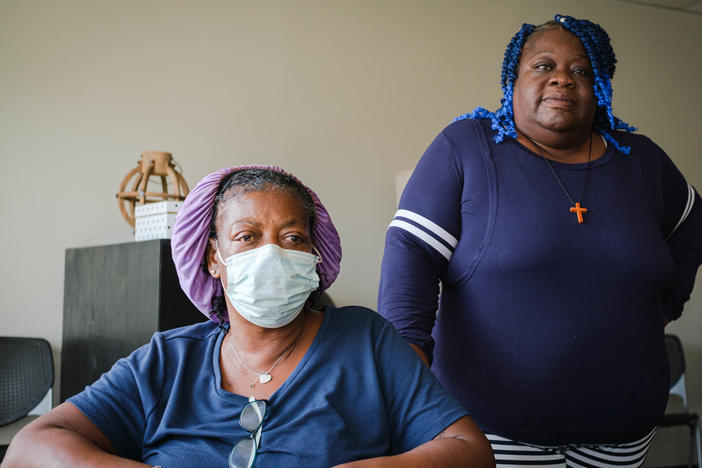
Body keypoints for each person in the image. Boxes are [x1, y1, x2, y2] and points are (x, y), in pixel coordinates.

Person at [3, 165, 494, 468]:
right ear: (214, 258)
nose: (272, 253)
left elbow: (470, 451)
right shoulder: (168, 360)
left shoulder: (366, 341)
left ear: (313, 257)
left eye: (292, 238)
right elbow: (32, 448)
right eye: (247, 236)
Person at [378, 14, 702, 467]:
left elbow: (691, 227)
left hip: (622, 434)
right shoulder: (467, 147)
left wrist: (665, 305)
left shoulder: (641, 160)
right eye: (543, 65)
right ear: (513, 80)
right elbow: (410, 253)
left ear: (601, 87)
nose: (562, 80)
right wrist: (405, 357)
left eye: (581, 71)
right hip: (488, 433)